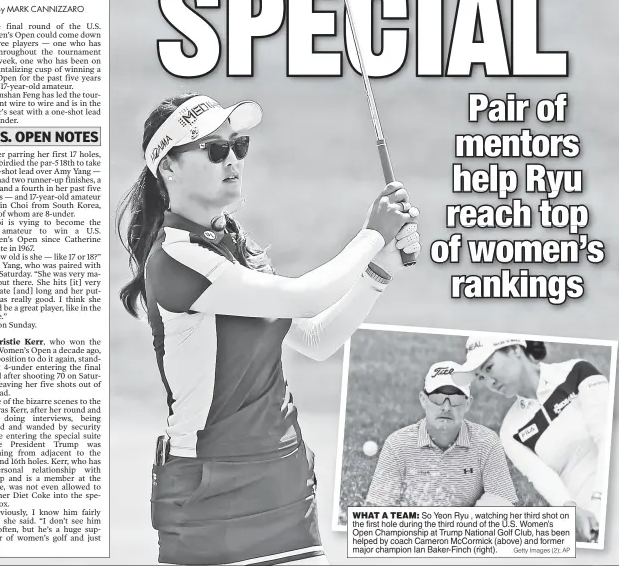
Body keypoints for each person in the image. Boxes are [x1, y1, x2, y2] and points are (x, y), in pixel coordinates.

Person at [117, 92, 421, 566]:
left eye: (238, 146)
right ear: (169, 167)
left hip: (283, 483)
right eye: (215, 151)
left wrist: (378, 272)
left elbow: (317, 339)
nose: (232, 159)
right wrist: (373, 234)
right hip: (208, 495)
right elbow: (305, 295)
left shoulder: (238, 247)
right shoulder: (176, 259)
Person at [452, 336, 610, 543]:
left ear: (515, 349)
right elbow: (545, 480)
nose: (489, 382)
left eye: (489, 368)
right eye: (480, 377)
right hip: (590, 523)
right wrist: (573, 514)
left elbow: (607, 439)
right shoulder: (511, 430)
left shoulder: (578, 372)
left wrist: (599, 503)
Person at [365, 360, 517, 507]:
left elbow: (504, 506)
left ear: (468, 404)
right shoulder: (397, 444)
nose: (446, 407)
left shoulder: (487, 442)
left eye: (455, 398)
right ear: (423, 400)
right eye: (437, 397)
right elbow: (377, 511)